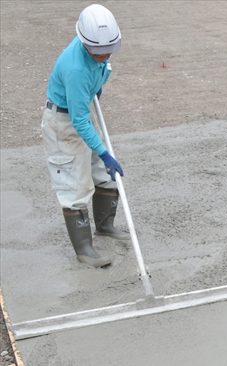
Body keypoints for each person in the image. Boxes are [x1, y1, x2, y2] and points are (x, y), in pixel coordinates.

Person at [43, 4, 128, 268]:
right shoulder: (75, 68)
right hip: (63, 123)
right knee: (75, 185)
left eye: (107, 52)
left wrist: (98, 88)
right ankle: (84, 250)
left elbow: (99, 75)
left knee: (104, 173)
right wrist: (103, 151)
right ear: (85, 44)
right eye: (99, 54)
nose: (104, 57)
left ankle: (105, 226)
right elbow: (78, 119)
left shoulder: (98, 44)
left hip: (80, 112)